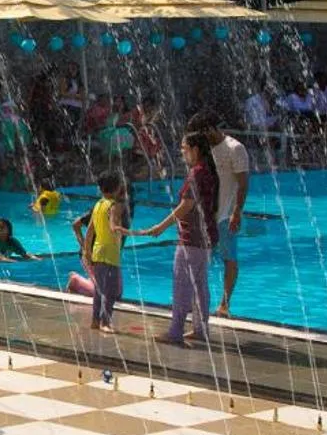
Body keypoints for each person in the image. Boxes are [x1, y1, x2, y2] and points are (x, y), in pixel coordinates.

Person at [130, 131, 219, 346]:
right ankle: (200, 329)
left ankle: (176, 332)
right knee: (200, 285)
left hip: (191, 239)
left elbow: (186, 205)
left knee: (182, 286)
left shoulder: (196, 173)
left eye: (184, 148)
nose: (181, 152)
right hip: (206, 238)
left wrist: (160, 227)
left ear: (195, 150)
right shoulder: (209, 171)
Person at [188, 112, 251, 317]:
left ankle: (224, 303)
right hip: (207, 214)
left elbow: (243, 184)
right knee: (199, 257)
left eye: (203, 132)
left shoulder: (235, 148)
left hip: (226, 214)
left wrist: (237, 212)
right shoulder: (205, 150)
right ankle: (196, 300)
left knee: (229, 258)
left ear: (211, 128)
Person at [69, 172, 129, 333]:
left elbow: (90, 231)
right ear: (118, 188)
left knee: (99, 289)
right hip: (110, 254)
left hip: (97, 251)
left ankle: (95, 321)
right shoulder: (114, 206)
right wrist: (135, 232)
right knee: (112, 291)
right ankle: (105, 322)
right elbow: (114, 227)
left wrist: (87, 251)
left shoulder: (98, 205)